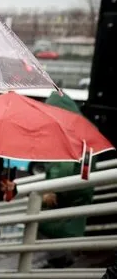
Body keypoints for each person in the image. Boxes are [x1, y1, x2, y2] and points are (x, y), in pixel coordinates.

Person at [38, 91, 95, 267]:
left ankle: (58, 268)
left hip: (64, 199)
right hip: (78, 196)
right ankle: (61, 266)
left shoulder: (67, 136)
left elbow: (62, 168)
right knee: (66, 234)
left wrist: (51, 189)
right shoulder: (84, 132)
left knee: (51, 233)